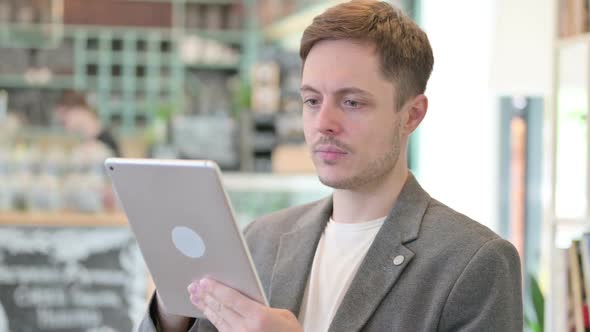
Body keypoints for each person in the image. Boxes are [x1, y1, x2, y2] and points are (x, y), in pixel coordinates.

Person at [141, 1, 523, 331]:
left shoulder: (475, 263)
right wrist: (173, 312)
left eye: (352, 102)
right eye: (311, 101)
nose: (323, 122)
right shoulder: (262, 239)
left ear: (411, 115)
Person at [54, 90, 121, 157]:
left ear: (78, 110)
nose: (64, 125)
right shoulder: (92, 139)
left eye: (64, 120)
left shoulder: (100, 146)